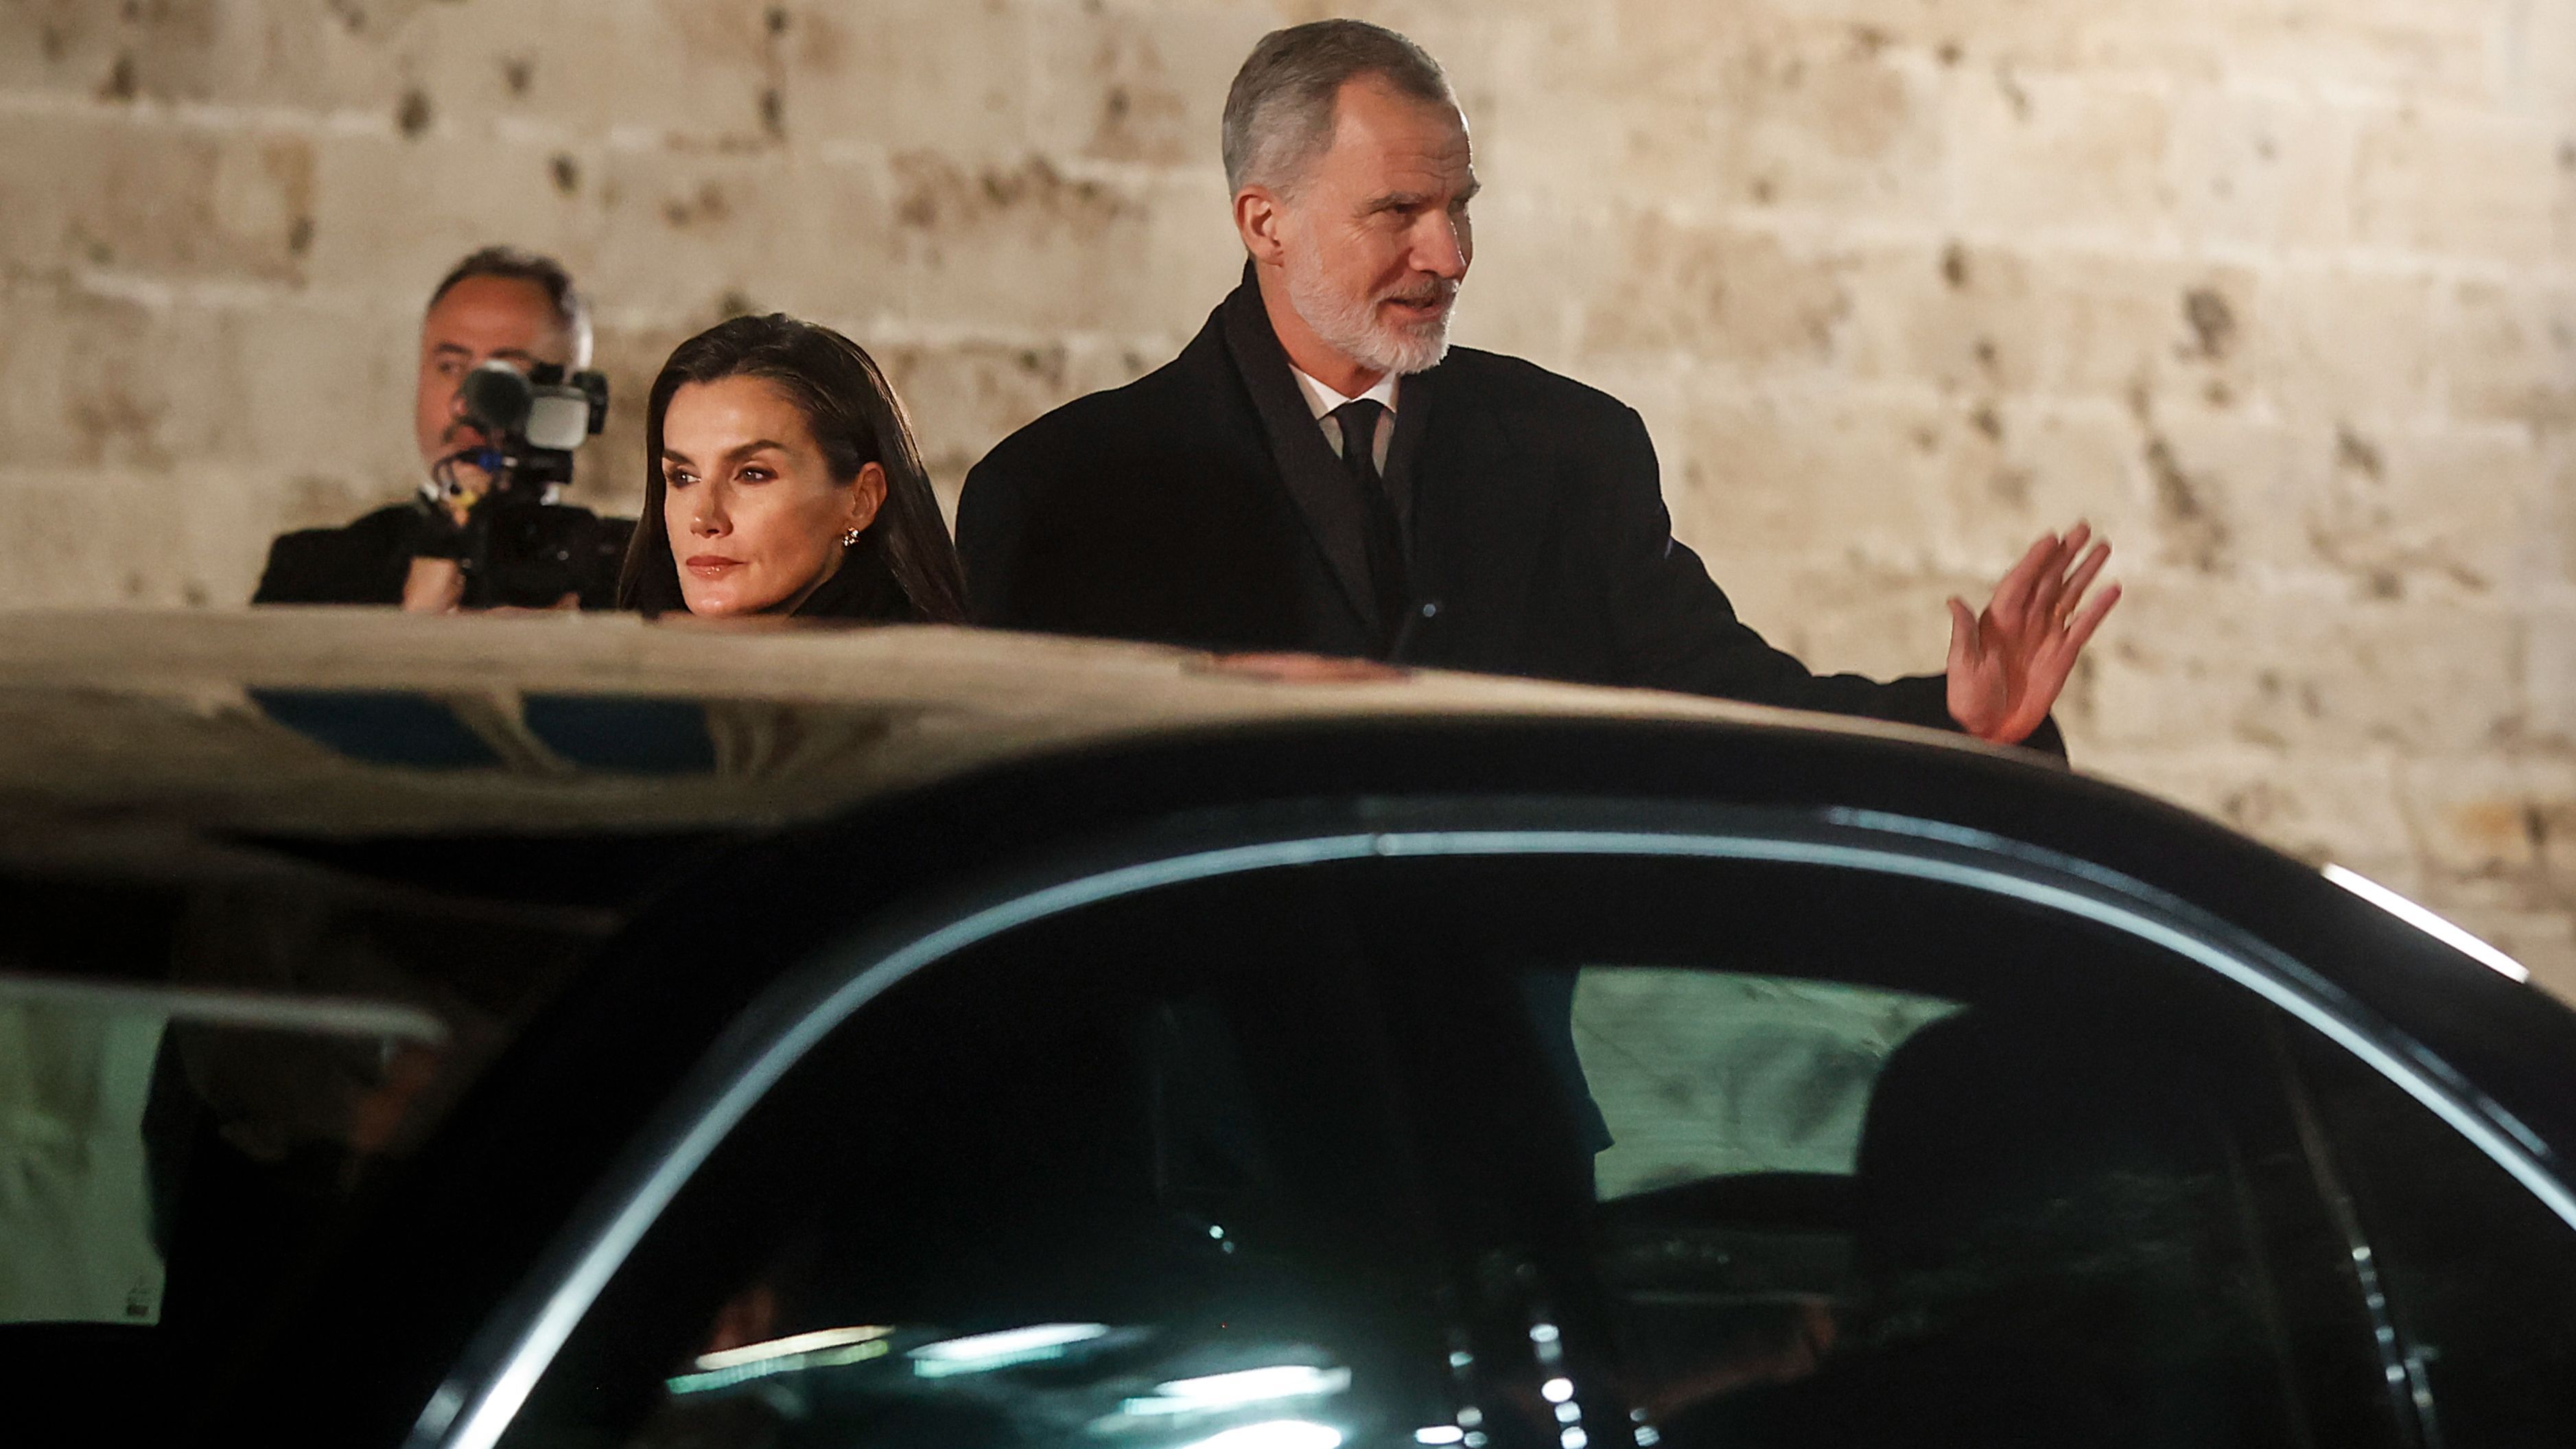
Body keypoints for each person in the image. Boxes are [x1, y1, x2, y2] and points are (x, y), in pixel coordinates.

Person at [958, 20, 2116, 751]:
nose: (1449, 258)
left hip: (1499, 1113)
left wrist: (1949, 720)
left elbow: (1714, 701)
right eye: (1396, 213)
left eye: (1458, 206)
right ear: (1263, 221)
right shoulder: (1068, 491)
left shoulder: (1570, 453)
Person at [252, 246, 630, 611]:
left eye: (506, 377)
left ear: (572, 400)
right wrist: (413, 633)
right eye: (451, 367)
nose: (469, 403)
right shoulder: (315, 576)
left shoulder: (634, 573)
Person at [618, 314, 969, 623]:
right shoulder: (625, 674)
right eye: (683, 477)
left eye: (753, 474)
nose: (705, 518)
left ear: (861, 499)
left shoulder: (910, 686)